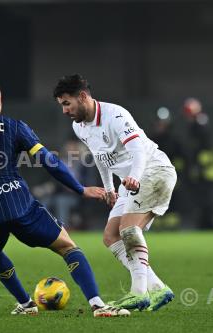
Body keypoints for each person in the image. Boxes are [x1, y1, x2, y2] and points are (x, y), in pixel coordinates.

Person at [0, 79, 130, 318]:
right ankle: (98, 305)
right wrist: (79, 189)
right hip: (18, 205)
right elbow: (49, 161)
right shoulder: (13, 126)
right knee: (68, 247)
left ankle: (26, 304)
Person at [54, 74, 176, 311]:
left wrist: (133, 177)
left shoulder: (116, 115)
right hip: (128, 182)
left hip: (153, 170)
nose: (64, 110)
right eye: (61, 105)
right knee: (111, 236)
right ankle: (158, 287)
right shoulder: (79, 127)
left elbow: (139, 150)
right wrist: (109, 188)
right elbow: (101, 157)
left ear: (82, 97)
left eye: (67, 103)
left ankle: (138, 293)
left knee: (129, 229)